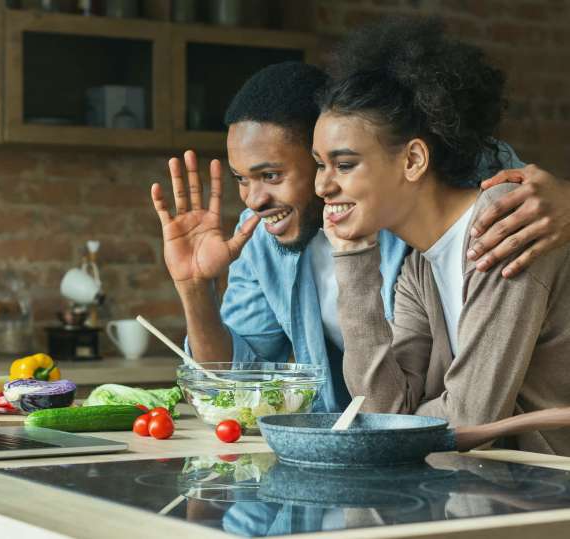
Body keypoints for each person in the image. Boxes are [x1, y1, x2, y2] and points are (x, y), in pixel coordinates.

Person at [150, 61, 570, 412]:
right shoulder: (268, 238)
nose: (255, 199)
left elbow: (498, 183)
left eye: (272, 175)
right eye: (243, 179)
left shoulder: (456, 217)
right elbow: (237, 385)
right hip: (413, 467)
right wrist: (194, 288)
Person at [315, 18, 570, 453]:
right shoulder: (419, 269)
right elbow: (379, 410)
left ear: (413, 159)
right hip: (502, 492)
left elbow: (472, 416)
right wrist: (353, 258)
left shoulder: (505, 221)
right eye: (319, 165)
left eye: (344, 165)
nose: (322, 186)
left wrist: (397, 428)